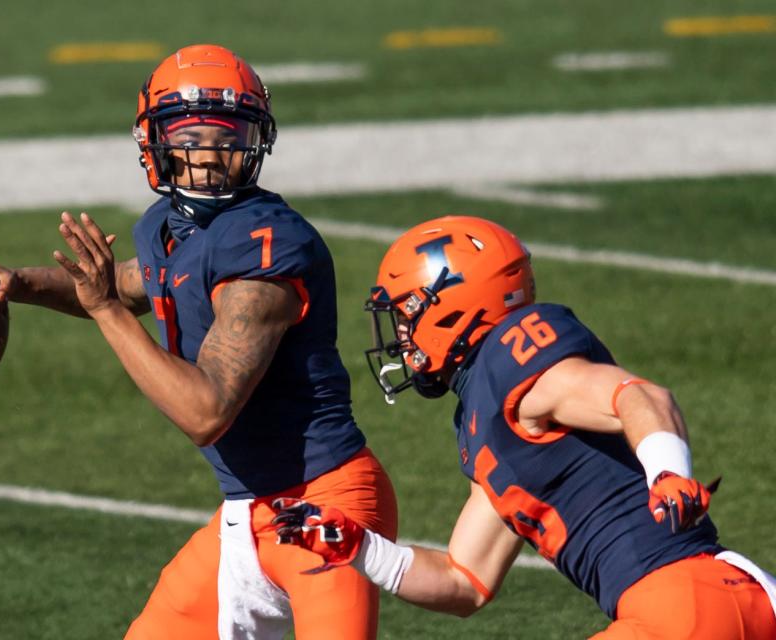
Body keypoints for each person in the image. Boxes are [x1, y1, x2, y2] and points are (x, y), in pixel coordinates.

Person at [0, 44, 397, 639]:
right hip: (245, 514)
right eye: (191, 136)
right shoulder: (164, 228)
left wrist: (103, 310)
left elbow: (206, 412)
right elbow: (120, 287)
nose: (210, 154)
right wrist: (15, 283)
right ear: (154, 141)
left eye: (227, 136)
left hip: (327, 504)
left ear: (254, 142)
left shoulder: (268, 248)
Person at [271, 216, 776, 639]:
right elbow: (464, 581)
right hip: (711, 602)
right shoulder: (484, 418)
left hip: (684, 602)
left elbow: (638, 396)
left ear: (450, 308)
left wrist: (667, 472)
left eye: (406, 317)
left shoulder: (515, 359)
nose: (401, 339)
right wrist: (359, 548)